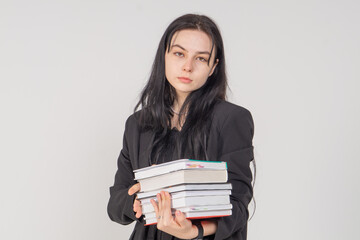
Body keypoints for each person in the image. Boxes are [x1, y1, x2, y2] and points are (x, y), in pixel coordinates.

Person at [107, 13, 255, 240]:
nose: (187, 66)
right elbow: (115, 204)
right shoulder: (137, 125)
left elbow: (238, 205)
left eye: (201, 58)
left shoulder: (231, 119)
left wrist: (194, 231)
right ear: (164, 56)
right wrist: (134, 201)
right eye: (179, 53)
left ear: (213, 67)